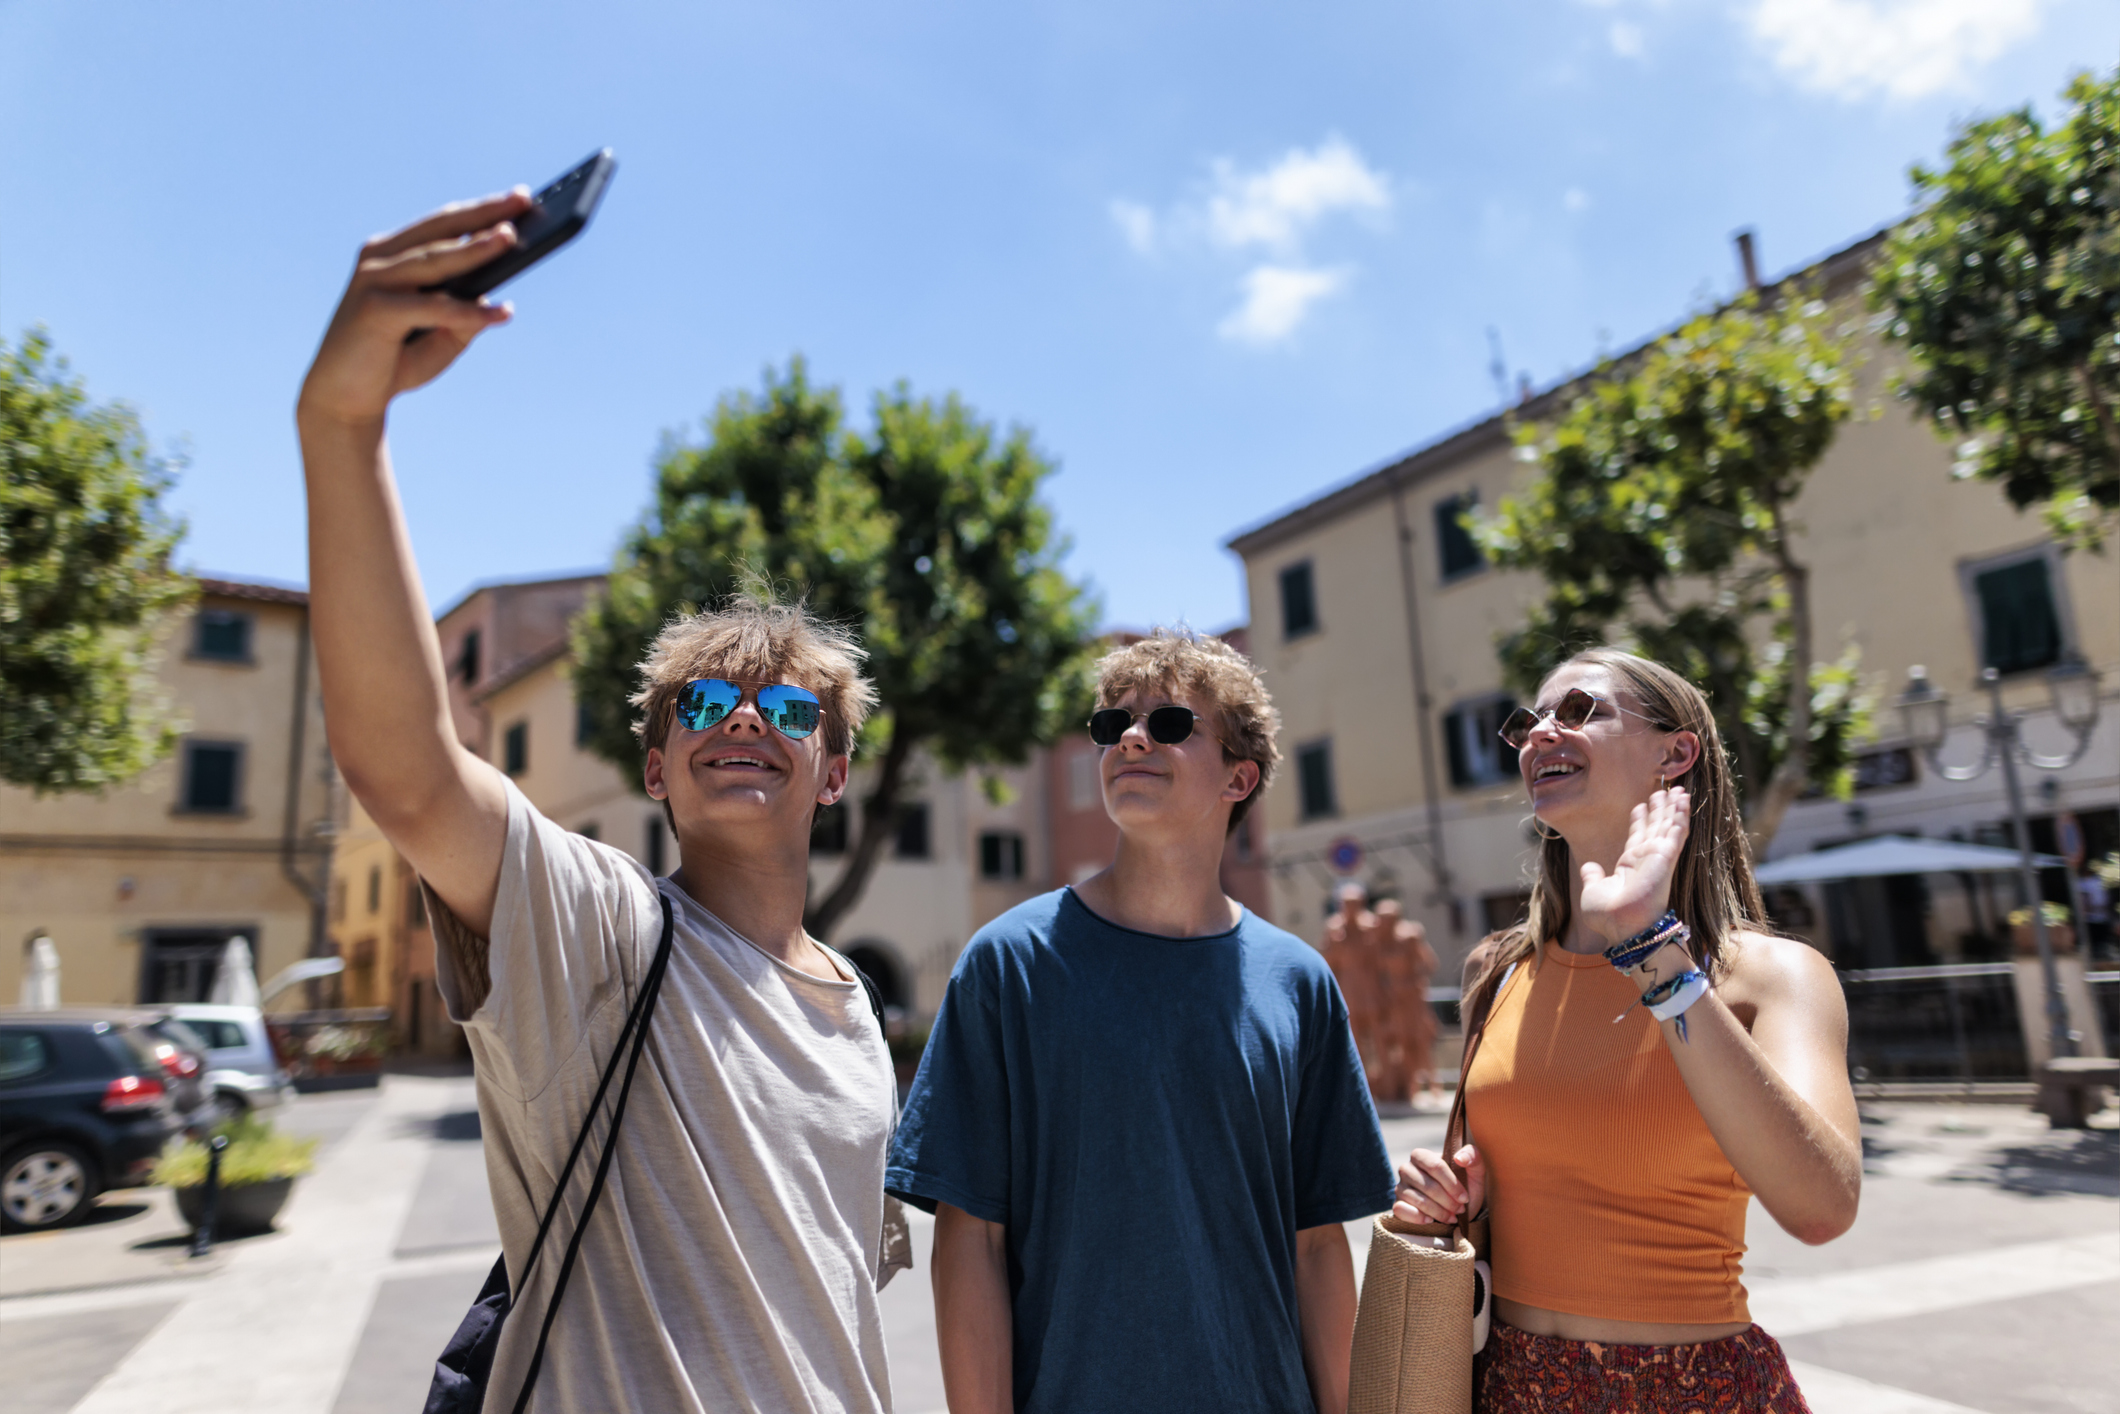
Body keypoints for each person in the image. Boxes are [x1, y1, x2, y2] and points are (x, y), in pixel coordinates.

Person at [297, 192, 899, 1411]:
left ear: (832, 771)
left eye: (789, 712)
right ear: (654, 766)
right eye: (705, 705)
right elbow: (404, 768)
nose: (745, 717)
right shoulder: (600, 935)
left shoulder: (857, 1006)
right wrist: (343, 424)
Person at [887, 630, 1395, 1414]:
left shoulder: (1299, 981)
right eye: (1111, 724)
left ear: (1239, 777)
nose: (1130, 737)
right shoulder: (1009, 963)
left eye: (1168, 724)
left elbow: (1320, 1247)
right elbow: (970, 1239)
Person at [1393, 648, 1860, 1413]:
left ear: (1676, 754)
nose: (1540, 732)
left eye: (1579, 711)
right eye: (1528, 722)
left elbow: (1821, 1208)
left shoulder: (1775, 977)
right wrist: (1442, 1201)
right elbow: (1491, 1209)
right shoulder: (1496, 971)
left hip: (1696, 1391)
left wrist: (1651, 949)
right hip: (1511, 1388)